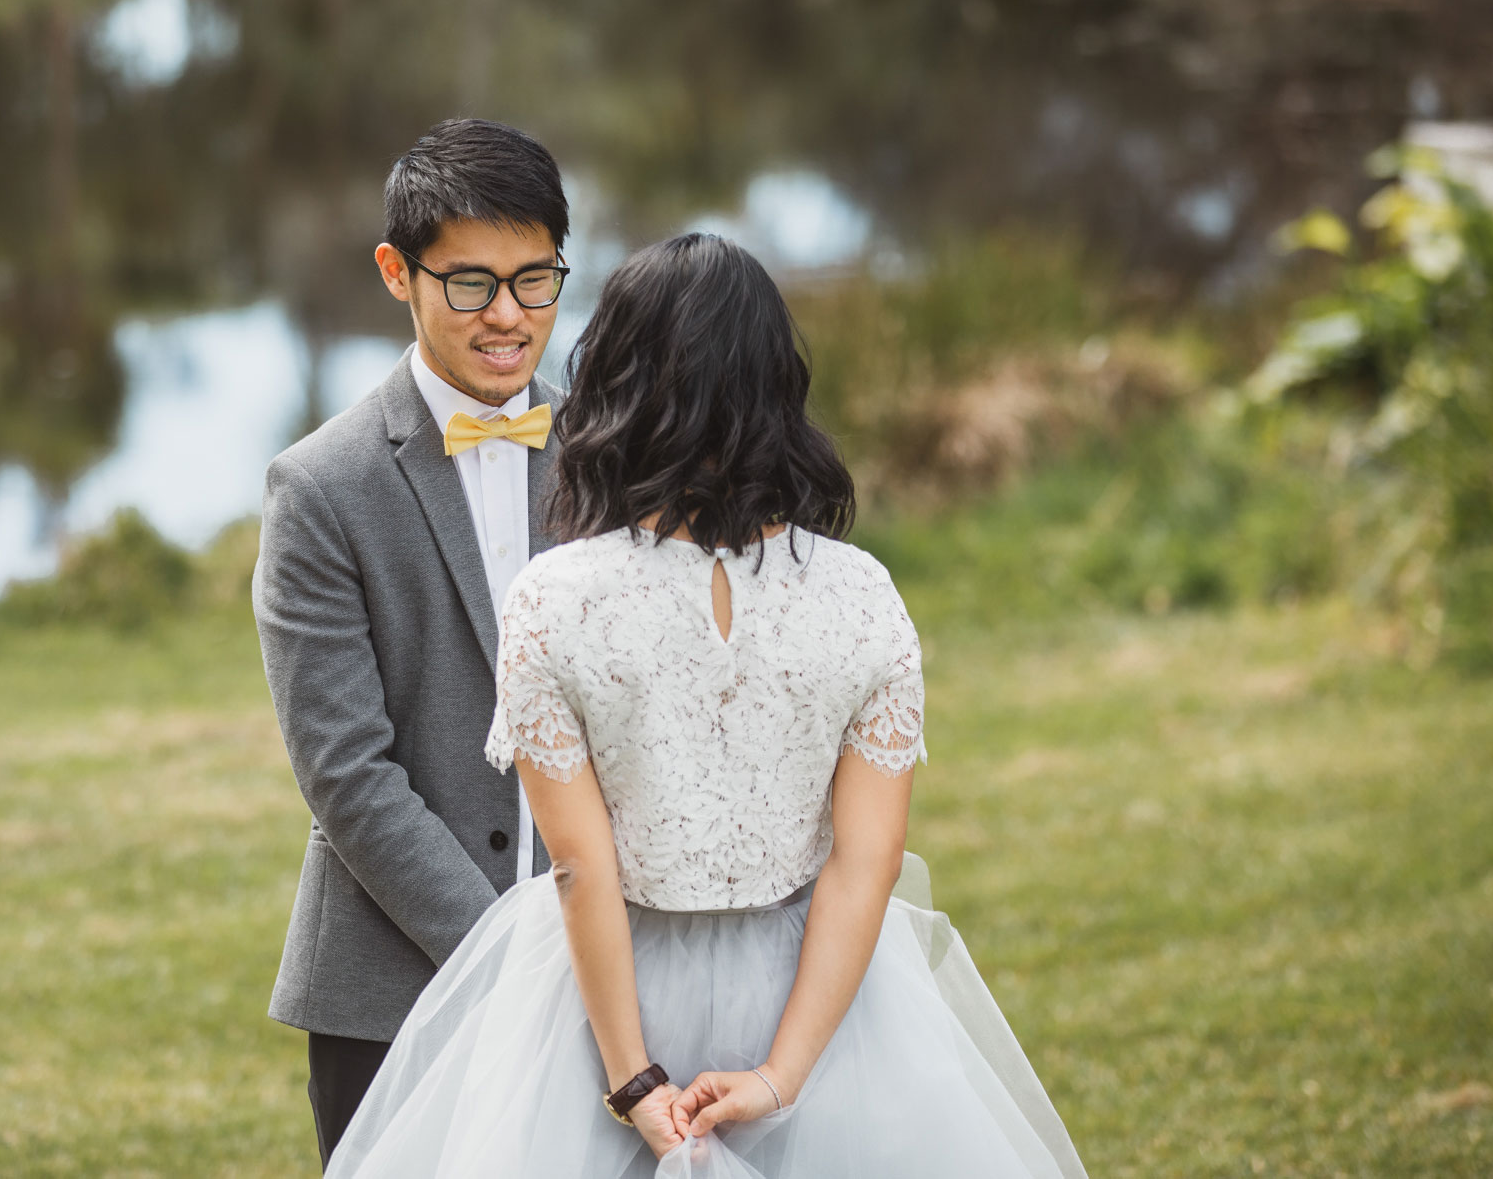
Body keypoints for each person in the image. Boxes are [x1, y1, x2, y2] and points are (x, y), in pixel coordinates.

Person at [322, 234, 1088, 1178]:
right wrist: (780, 1075)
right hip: (823, 994)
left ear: (611, 385)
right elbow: (865, 864)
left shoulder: (555, 599)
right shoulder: (863, 594)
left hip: (603, 998)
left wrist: (633, 1078)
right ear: (778, 387)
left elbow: (578, 866)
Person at [251, 118, 575, 1167]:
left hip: (603, 977)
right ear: (397, 272)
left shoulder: (610, 456)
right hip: (394, 989)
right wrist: (502, 953)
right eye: (471, 284)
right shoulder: (319, 486)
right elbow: (346, 772)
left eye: (536, 280)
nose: (509, 317)